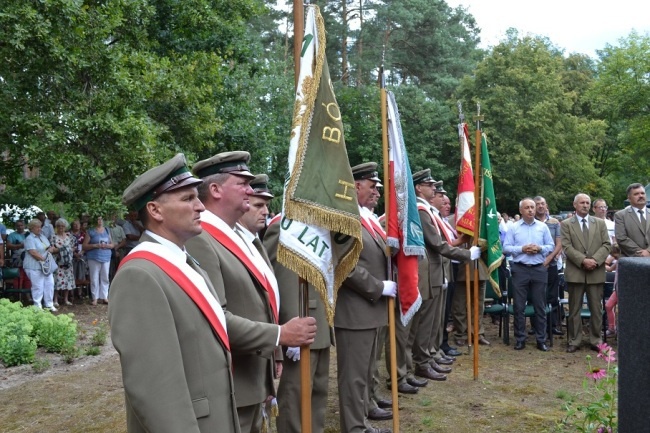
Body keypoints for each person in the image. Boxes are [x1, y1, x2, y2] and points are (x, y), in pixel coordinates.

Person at [186, 151, 316, 433]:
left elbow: (260, 299)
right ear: (216, 189)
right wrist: (280, 335)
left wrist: (274, 355)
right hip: (233, 380)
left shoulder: (238, 236)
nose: (250, 188)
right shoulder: (201, 239)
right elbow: (215, 318)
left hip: (254, 373)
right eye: (242, 182)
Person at [109, 153, 239, 432]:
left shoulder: (186, 262)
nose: (201, 207)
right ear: (155, 211)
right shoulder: (139, 276)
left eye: (197, 197)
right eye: (188, 198)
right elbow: (156, 388)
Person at [502, 198, 555, 351]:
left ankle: (541, 339)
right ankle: (520, 339)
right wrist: (522, 249)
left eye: (532, 207)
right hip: (520, 268)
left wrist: (539, 248)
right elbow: (506, 248)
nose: (531, 210)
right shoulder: (513, 227)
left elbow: (550, 245)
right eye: (527, 207)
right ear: (521, 210)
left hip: (539, 268)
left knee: (540, 305)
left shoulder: (542, 227)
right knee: (519, 306)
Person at [561, 193, 611, 353]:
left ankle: (596, 340)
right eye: (582, 202)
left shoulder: (599, 223)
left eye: (588, 203)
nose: (585, 205)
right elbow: (567, 247)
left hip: (595, 271)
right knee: (574, 309)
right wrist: (583, 260)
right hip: (576, 272)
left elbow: (606, 244)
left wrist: (595, 260)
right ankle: (574, 340)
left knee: (596, 309)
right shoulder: (567, 224)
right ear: (575, 205)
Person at [533, 196, 564, 336]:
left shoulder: (554, 222)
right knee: (535, 295)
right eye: (537, 204)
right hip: (534, 264)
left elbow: (559, 243)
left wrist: (550, 257)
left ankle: (552, 325)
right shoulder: (530, 222)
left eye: (543, 204)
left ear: (546, 206)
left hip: (551, 264)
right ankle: (536, 326)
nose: (540, 206)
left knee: (552, 295)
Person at [23, 219, 57, 311]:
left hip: (45, 265)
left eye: (40, 227)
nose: (39, 229)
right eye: (37, 227)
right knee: (38, 286)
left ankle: (49, 304)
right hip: (33, 266)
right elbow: (33, 252)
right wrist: (44, 259)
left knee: (50, 284)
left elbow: (48, 247)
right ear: (32, 228)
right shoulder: (29, 238)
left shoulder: (42, 236)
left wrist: (52, 249)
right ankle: (37, 306)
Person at [82, 216, 114, 305]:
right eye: (98, 219)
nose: (99, 221)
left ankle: (104, 297)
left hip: (106, 256)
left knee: (105, 277)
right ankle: (95, 298)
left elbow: (112, 244)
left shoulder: (107, 230)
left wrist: (108, 246)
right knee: (94, 277)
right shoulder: (91, 231)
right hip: (94, 257)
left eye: (101, 219)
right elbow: (84, 246)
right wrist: (95, 245)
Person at [614, 183, 650, 258]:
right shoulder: (620, 215)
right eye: (636, 194)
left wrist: (648, 251)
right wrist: (641, 254)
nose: (640, 196)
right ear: (629, 198)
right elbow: (621, 238)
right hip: (631, 261)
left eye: (642, 193)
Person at [50, 218, 77, 307]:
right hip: (58, 262)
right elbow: (52, 249)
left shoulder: (70, 236)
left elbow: (74, 247)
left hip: (68, 262)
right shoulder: (53, 236)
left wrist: (67, 250)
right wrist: (62, 250)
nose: (60, 227)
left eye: (62, 226)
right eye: (58, 226)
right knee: (57, 281)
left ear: (65, 227)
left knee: (68, 280)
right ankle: (55, 300)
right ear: (56, 227)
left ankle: (66, 299)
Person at [604, 244, 620, 338]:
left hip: (622, 290)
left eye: (614, 255)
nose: (613, 257)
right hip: (617, 289)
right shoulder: (618, 262)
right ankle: (611, 328)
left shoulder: (623, 261)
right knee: (608, 306)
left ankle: (620, 329)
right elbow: (610, 269)